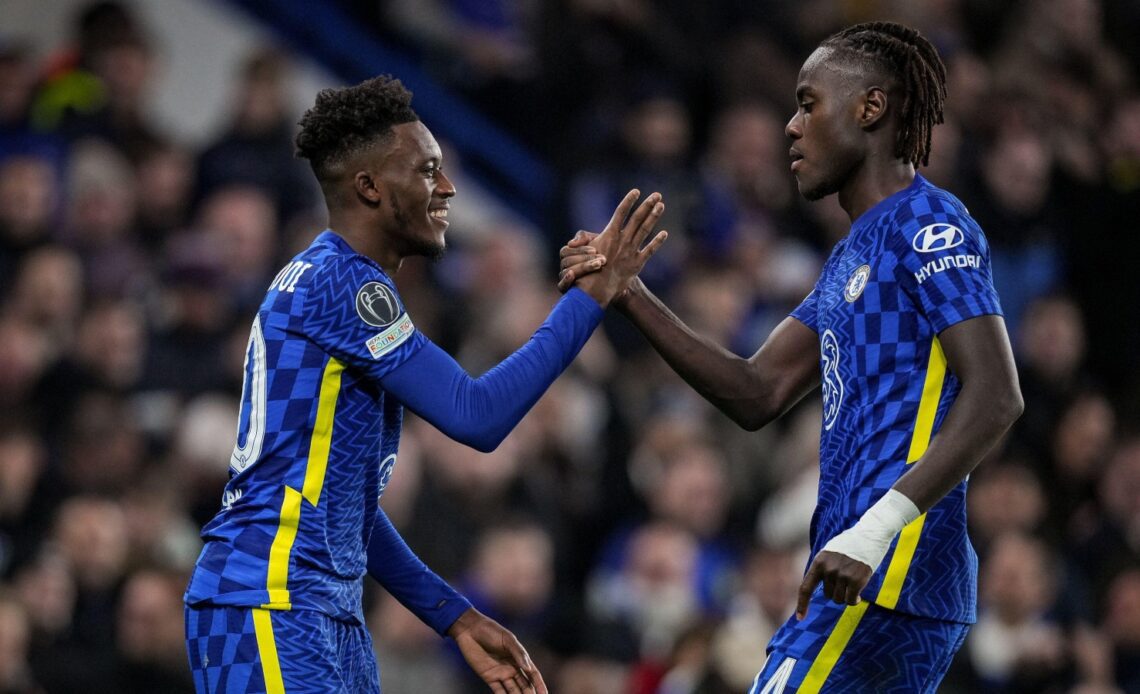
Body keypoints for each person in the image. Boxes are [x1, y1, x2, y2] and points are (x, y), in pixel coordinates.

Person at [560, 21, 1023, 692]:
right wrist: (628, 297)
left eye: (808, 103)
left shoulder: (929, 226)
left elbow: (997, 396)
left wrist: (874, 531)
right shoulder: (853, 255)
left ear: (870, 108)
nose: (790, 126)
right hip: (870, 577)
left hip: (883, 574)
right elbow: (758, 391)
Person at [183, 74, 667, 694]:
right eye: (428, 170)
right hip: (267, 597)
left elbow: (342, 504)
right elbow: (476, 415)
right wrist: (589, 300)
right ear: (371, 188)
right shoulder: (345, 284)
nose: (448, 188)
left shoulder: (334, 282)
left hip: (317, 605)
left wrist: (452, 615)